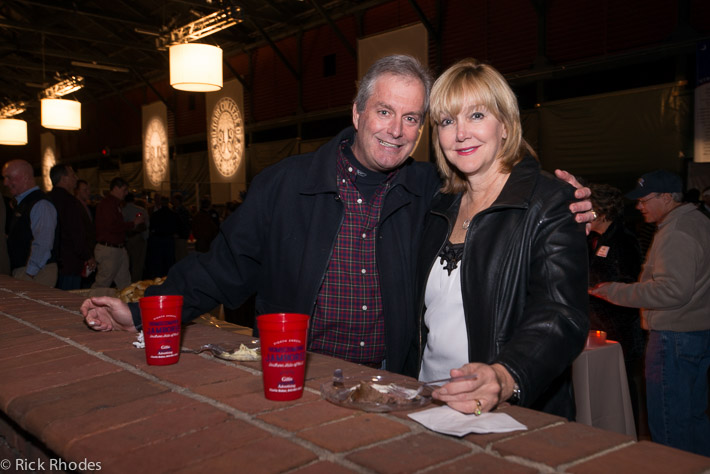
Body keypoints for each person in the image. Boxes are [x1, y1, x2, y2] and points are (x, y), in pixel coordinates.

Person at [81, 55, 593, 375]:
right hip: (298, 376)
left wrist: (557, 198)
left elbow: (496, 186)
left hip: (392, 384)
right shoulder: (286, 185)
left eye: (411, 118)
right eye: (384, 111)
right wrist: (142, 311)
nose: (396, 130)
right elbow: (220, 269)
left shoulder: (428, 190)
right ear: (357, 113)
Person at [412, 58, 589, 419]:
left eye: (476, 115)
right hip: (428, 401)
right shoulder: (437, 206)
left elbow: (561, 314)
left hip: (508, 411)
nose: (461, 133)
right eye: (447, 121)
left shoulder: (549, 202)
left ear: (506, 126)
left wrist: (505, 376)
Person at [590, 170, 710, 456]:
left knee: (670, 426)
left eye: (644, 200)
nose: (639, 206)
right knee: (693, 419)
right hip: (695, 333)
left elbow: (672, 291)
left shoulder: (677, 231)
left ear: (666, 197)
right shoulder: (696, 221)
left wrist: (612, 291)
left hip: (674, 338)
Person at [587, 183, 645, 427]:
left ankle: (627, 431)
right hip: (603, 326)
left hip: (621, 328)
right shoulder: (596, 238)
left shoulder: (623, 239)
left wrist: (595, 287)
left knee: (623, 384)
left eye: (588, 209)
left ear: (601, 211)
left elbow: (630, 283)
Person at [2, 159, 59, 287]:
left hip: (37, 272)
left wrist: (30, 273)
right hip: (29, 270)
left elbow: (43, 241)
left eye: (9, 177)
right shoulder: (25, 203)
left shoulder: (40, 203)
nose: (5, 183)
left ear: (25, 177)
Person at [48, 164, 96, 290]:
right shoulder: (69, 201)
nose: (76, 178)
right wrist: (87, 255)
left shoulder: (47, 199)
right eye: (73, 175)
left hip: (51, 261)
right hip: (69, 261)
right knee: (69, 297)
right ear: (63, 179)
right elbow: (76, 232)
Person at [93, 177, 145, 289]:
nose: (126, 193)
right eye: (124, 190)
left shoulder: (115, 204)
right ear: (116, 188)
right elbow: (112, 226)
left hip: (117, 248)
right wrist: (133, 223)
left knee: (124, 283)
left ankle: (126, 300)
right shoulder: (107, 204)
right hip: (110, 249)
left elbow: (114, 226)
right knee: (102, 283)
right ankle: (92, 300)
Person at [122, 192, 149, 282]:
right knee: (137, 264)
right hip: (138, 238)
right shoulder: (141, 210)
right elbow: (146, 226)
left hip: (126, 239)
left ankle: (126, 282)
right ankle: (135, 282)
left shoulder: (122, 211)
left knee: (126, 264)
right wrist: (145, 239)